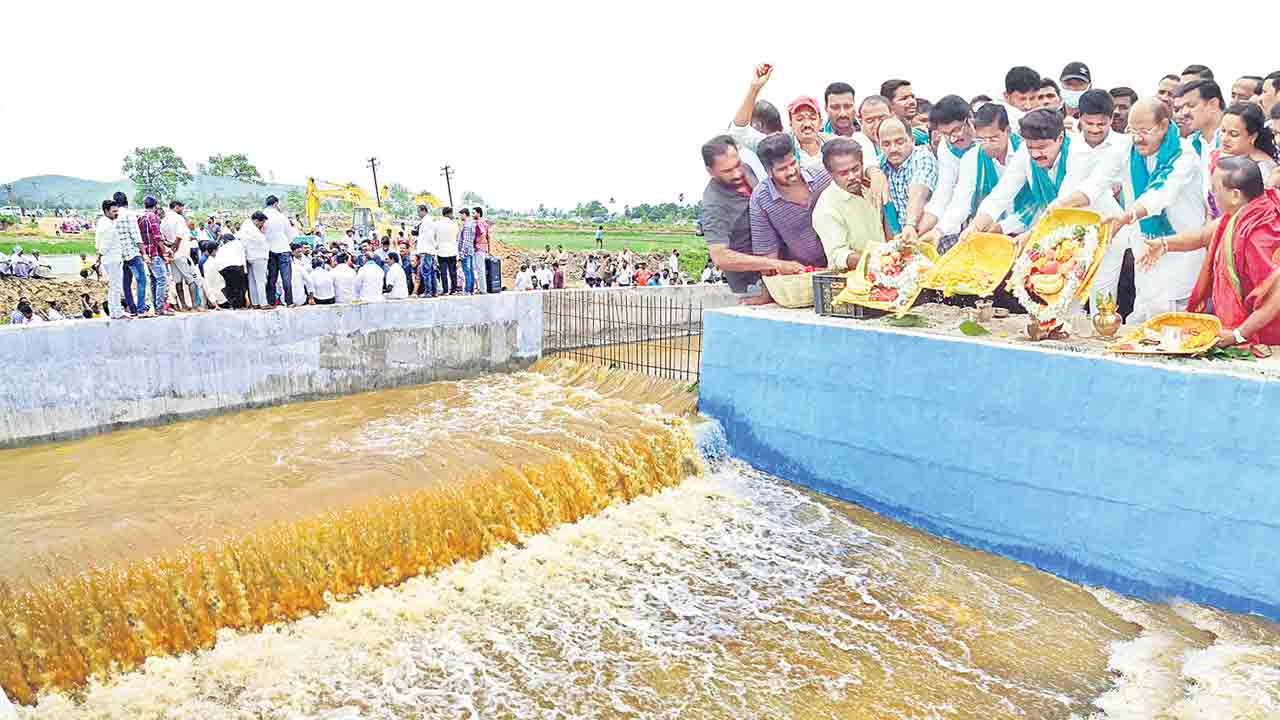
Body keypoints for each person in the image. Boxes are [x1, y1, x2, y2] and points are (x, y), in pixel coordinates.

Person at [1070, 98, 1206, 319]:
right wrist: (1062, 204)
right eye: (1132, 130)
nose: (1137, 138)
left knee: (1171, 322)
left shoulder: (1183, 153)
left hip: (1179, 250)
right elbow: (1097, 181)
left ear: (1163, 125)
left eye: (1144, 131)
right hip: (1144, 246)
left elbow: (1161, 193)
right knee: (1142, 313)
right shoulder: (1126, 146)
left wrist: (1127, 216)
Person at [1139, 156, 1280, 344]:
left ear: (1235, 195)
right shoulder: (1246, 211)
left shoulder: (1258, 234)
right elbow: (1203, 236)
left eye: (1215, 189)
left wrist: (1238, 335)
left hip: (1266, 333)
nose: (1211, 194)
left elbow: (1274, 297)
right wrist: (1164, 244)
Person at [963, 109, 1115, 245]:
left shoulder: (1079, 151)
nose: (1035, 154)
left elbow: (1063, 204)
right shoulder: (1024, 152)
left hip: (1105, 229)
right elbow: (1001, 194)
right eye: (1031, 147)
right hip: (1066, 234)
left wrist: (1031, 235)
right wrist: (974, 227)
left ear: (1060, 138)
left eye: (1042, 147)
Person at [919, 103, 1027, 248]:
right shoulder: (972, 157)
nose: (987, 145)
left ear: (1007, 131)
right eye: (982, 139)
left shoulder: (1025, 151)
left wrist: (1002, 226)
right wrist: (939, 231)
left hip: (1029, 229)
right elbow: (960, 201)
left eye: (993, 138)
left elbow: (1009, 196)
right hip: (991, 233)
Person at [749, 133, 832, 269]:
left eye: (793, 163)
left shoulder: (823, 176)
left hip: (842, 261)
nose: (792, 171)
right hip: (803, 272)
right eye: (782, 169)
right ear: (768, 172)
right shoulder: (761, 200)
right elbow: (767, 258)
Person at [812, 139, 889, 271]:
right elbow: (838, 255)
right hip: (856, 280)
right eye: (843, 173)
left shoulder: (870, 187)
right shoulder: (826, 208)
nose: (852, 176)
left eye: (855, 169)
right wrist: (877, 262)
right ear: (830, 173)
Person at [919, 96, 978, 239]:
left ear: (970, 118)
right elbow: (944, 193)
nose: (953, 139)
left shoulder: (989, 139)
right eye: (946, 134)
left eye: (956, 130)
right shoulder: (946, 147)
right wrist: (918, 230)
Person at [878, 117, 939, 245]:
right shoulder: (881, 165)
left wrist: (910, 224)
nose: (893, 149)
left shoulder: (923, 156)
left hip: (935, 239)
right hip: (907, 241)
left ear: (912, 140)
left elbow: (919, 190)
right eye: (886, 144)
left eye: (899, 142)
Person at [1216, 103, 1279, 182]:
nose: (1224, 139)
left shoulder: (1263, 169)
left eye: (1233, 134)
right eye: (1223, 131)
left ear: (1253, 137)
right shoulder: (1219, 155)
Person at [111, 192, 148, 316]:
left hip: (120, 254)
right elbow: (136, 235)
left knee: (126, 283)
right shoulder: (129, 214)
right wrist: (143, 252)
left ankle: (132, 308)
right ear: (127, 201)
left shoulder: (114, 216)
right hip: (132, 252)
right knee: (141, 280)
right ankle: (141, 307)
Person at [161, 200, 199, 312]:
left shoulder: (164, 220)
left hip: (171, 255)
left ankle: (183, 306)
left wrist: (170, 250)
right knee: (191, 279)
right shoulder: (179, 219)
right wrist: (174, 249)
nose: (183, 210)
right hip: (181, 253)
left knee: (178, 281)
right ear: (177, 207)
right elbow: (179, 237)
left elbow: (164, 239)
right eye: (182, 208)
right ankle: (195, 306)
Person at [138, 196, 171, 315]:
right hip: (155, 253)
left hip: (146, 253)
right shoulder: (152, 217)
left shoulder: (140, 217)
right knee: (162, 279)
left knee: (154, 280)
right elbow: (157, 237)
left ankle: (156, 306)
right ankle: (160, 307)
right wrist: (165, 252)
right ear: (155, 205)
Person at [263, 195, 296, 306]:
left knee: (272, 278)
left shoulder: (262, 215)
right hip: (283, 249)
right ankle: (289, 302)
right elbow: (290, 234)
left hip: (269, 250)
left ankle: (271, 302)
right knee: (286, 278)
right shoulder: (281, 216)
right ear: (276, 203)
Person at [95, 199, 126, 319]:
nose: (116, 213)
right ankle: (116, 313)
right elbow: (104, 245)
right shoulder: (108, 226)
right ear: (106, 211)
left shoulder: (103, 222)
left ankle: (114, 312)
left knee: (113, 287)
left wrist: (99, 254)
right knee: (116, 287)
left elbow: (99, 244)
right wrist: (100, 255)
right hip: (112, 258)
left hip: (110, 258)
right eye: (114, 211)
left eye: (116, 211)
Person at [237, 211, 270, 308]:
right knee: (260, 281)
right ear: (256, 220)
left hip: (249, 256)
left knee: (252, 281)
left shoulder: (245, 226)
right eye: (262, 222)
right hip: (258, 256)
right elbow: (262, 240)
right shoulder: (253, 229)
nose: (262, 224)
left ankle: (255, 303)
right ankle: (263, 303)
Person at [216, 232, 249, 309]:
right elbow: (242, 257)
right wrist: (245, 271)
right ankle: (240, 305)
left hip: (223, 268)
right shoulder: (238, 243)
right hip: (236, 266)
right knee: (240, 286)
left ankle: (233, 305)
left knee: (230, 286)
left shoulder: (222, 247)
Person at [434, 207, 460, 295]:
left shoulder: (437, 224)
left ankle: (445, 290)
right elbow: (457, 237)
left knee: (443, 272)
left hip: (441, 251)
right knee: (453, 272)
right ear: (449, 214)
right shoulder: (455, 224)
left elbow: (434, 236)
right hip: (452, 250)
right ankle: (454, 290)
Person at [414, 204, 438, 297]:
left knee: (426, 271)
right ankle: (434, 291)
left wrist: (432, 246)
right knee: (431, 272)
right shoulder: (428, 220)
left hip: (426, 249)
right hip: (429, 249)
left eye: (419, 212)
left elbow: (429, 236)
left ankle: (428, 292)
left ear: (423, 211)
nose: (418, 214)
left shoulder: (426, 221)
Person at [458, 207, 477, 294]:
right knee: (471, 271)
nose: (460, 216)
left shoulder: (467, 225)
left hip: (466, 251)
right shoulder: (472, 224)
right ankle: (472, 289)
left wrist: (462, 253)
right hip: (471, 250)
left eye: (461, 215)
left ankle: (467, 290)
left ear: (464, 214)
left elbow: (465, 240)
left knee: (467, 271)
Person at [473, 207, 490, 294]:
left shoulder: (479, 222)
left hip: (479, 248)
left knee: (480, 269)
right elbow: (488, 236)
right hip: (483, 248)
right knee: (481, 268)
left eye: (474, 213)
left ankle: (482, 289)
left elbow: (483, 234)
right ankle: (482, 288)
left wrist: (477, 244)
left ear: (478, 213)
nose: (473, 215)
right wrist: (488, 248)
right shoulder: (485, 223)